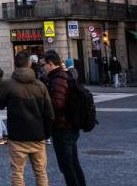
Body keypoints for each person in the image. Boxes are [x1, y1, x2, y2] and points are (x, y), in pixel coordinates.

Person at [0, 52, 53, 186]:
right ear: (29, 64)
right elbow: (49, 112)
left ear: (15, 64)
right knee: (41, 172)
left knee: (17, 172)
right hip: (38, 134)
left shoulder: (9, 84)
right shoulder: (40, 85)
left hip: (17, 135)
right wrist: (47, 133)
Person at [42, 51, 85, 186]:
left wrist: (44, 103)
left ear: (50, 64)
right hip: (69, 126)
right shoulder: (64, 76)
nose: (43, 68)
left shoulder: (57, 79)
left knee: (67, 165)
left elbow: (57, 104)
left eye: (44, 65)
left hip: (63, 127)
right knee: (73, 163)